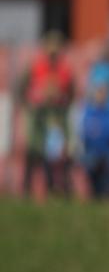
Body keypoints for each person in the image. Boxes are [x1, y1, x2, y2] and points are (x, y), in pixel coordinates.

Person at [19, 31, 74, 198]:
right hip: (38, 114)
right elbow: (22, 89)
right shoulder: (35, 66)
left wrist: (61, 99)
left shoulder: (65, 69)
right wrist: (32, 102)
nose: (53, 50)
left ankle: (61, 190)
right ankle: (26, 190)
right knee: (33, 150)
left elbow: (71, 92)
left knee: (57, 153)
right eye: (50, 46)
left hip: (57, 114)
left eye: (56, 46)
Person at [79, 83, 109, 198]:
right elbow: (86, 133)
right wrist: (100, 133)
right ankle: (97, 193)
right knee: (90, 163)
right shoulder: (89, 112)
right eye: (99, 94)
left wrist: (100, 132)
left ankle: (108, 193)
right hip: (93, 150)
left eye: (104, 94)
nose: (101, 97)